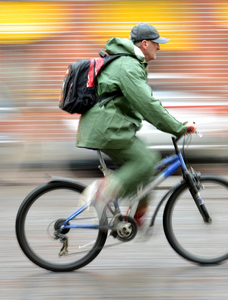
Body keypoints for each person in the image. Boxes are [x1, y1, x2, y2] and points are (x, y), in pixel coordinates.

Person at [76, 23, 196, 226]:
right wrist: (178, 127)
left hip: (109, 127)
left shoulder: (130, 63)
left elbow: (140, 105)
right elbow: (147, 104)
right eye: (157, 43)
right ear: (146, 44)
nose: (160, 47)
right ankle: (100, 193)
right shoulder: (128, 66)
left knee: (146, 167)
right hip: (107, 129)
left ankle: (136, 216)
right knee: (146, 161)